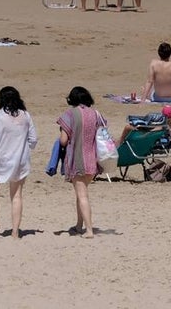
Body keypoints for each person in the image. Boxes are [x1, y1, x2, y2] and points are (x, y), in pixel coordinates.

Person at [0, 86, 38, 238]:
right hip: (20, 160)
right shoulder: (26, 115)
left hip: (1, 160)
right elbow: (33, 140)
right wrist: (25, 146)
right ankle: (15, 231)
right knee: (17, 195)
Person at [56, 86, 101, 238]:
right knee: (81, 193)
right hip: (93, 159)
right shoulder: (95, 114)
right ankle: (78, 224)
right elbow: (102, 133)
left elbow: (63, 141)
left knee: (82, 196)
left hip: (77, 160)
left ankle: (89, 230)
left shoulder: (70, 114)